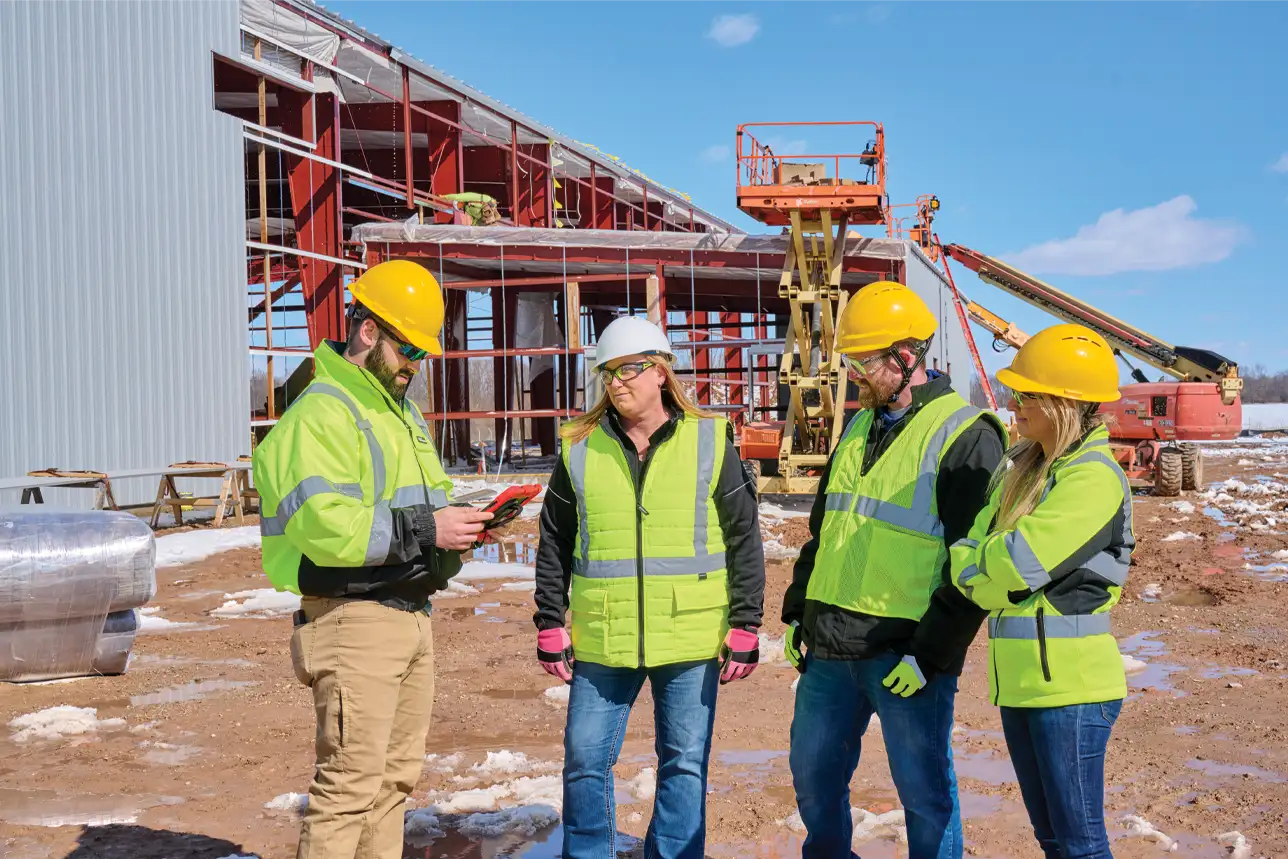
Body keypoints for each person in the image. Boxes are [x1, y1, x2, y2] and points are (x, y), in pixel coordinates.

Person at [252, 260, 493, 859]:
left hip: (409, 614)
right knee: (348, 789)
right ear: (369, 333)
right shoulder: (322, 412)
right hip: (352, 618)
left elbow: (428, 506)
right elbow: (326, 527)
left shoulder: (400, 414)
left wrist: (464, 527)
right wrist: (427, 528)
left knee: (392, 785)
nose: (416, 363)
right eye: (409, 347)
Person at [782, 281, 1007, 859]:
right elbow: (825, 528)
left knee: (925, 795)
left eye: (866, 361)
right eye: (852, 360)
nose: (855, 373)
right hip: (831, 643)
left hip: (905, 651)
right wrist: (798, 611)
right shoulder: (859, 426)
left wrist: (932, 651)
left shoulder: (966, 434)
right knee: (813, 778)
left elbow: (974, 565)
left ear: (908, 357)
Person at [532, 315, 766, 859]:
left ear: (661, 372)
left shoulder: (710, 438)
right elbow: (554, 541)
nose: (616, 382)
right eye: (607, 372)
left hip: (690, 637)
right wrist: (549, 620)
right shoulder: (579, 448)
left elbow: (743, 539)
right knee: (585, 760)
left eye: (629, 369)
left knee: (684, 762)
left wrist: (746, 624)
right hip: (604, 637)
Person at [952, 324, 1131, 859]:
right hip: (1024, 687)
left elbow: (1016, 564)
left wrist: (983, 569)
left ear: (1065, 402)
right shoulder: (1024, 470)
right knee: (1053, 839)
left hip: (1072, 691)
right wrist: (983, 569)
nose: (1015, 402)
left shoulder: (1093, 477)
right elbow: (967, 556)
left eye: (1028, 393)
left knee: (1080, 845)